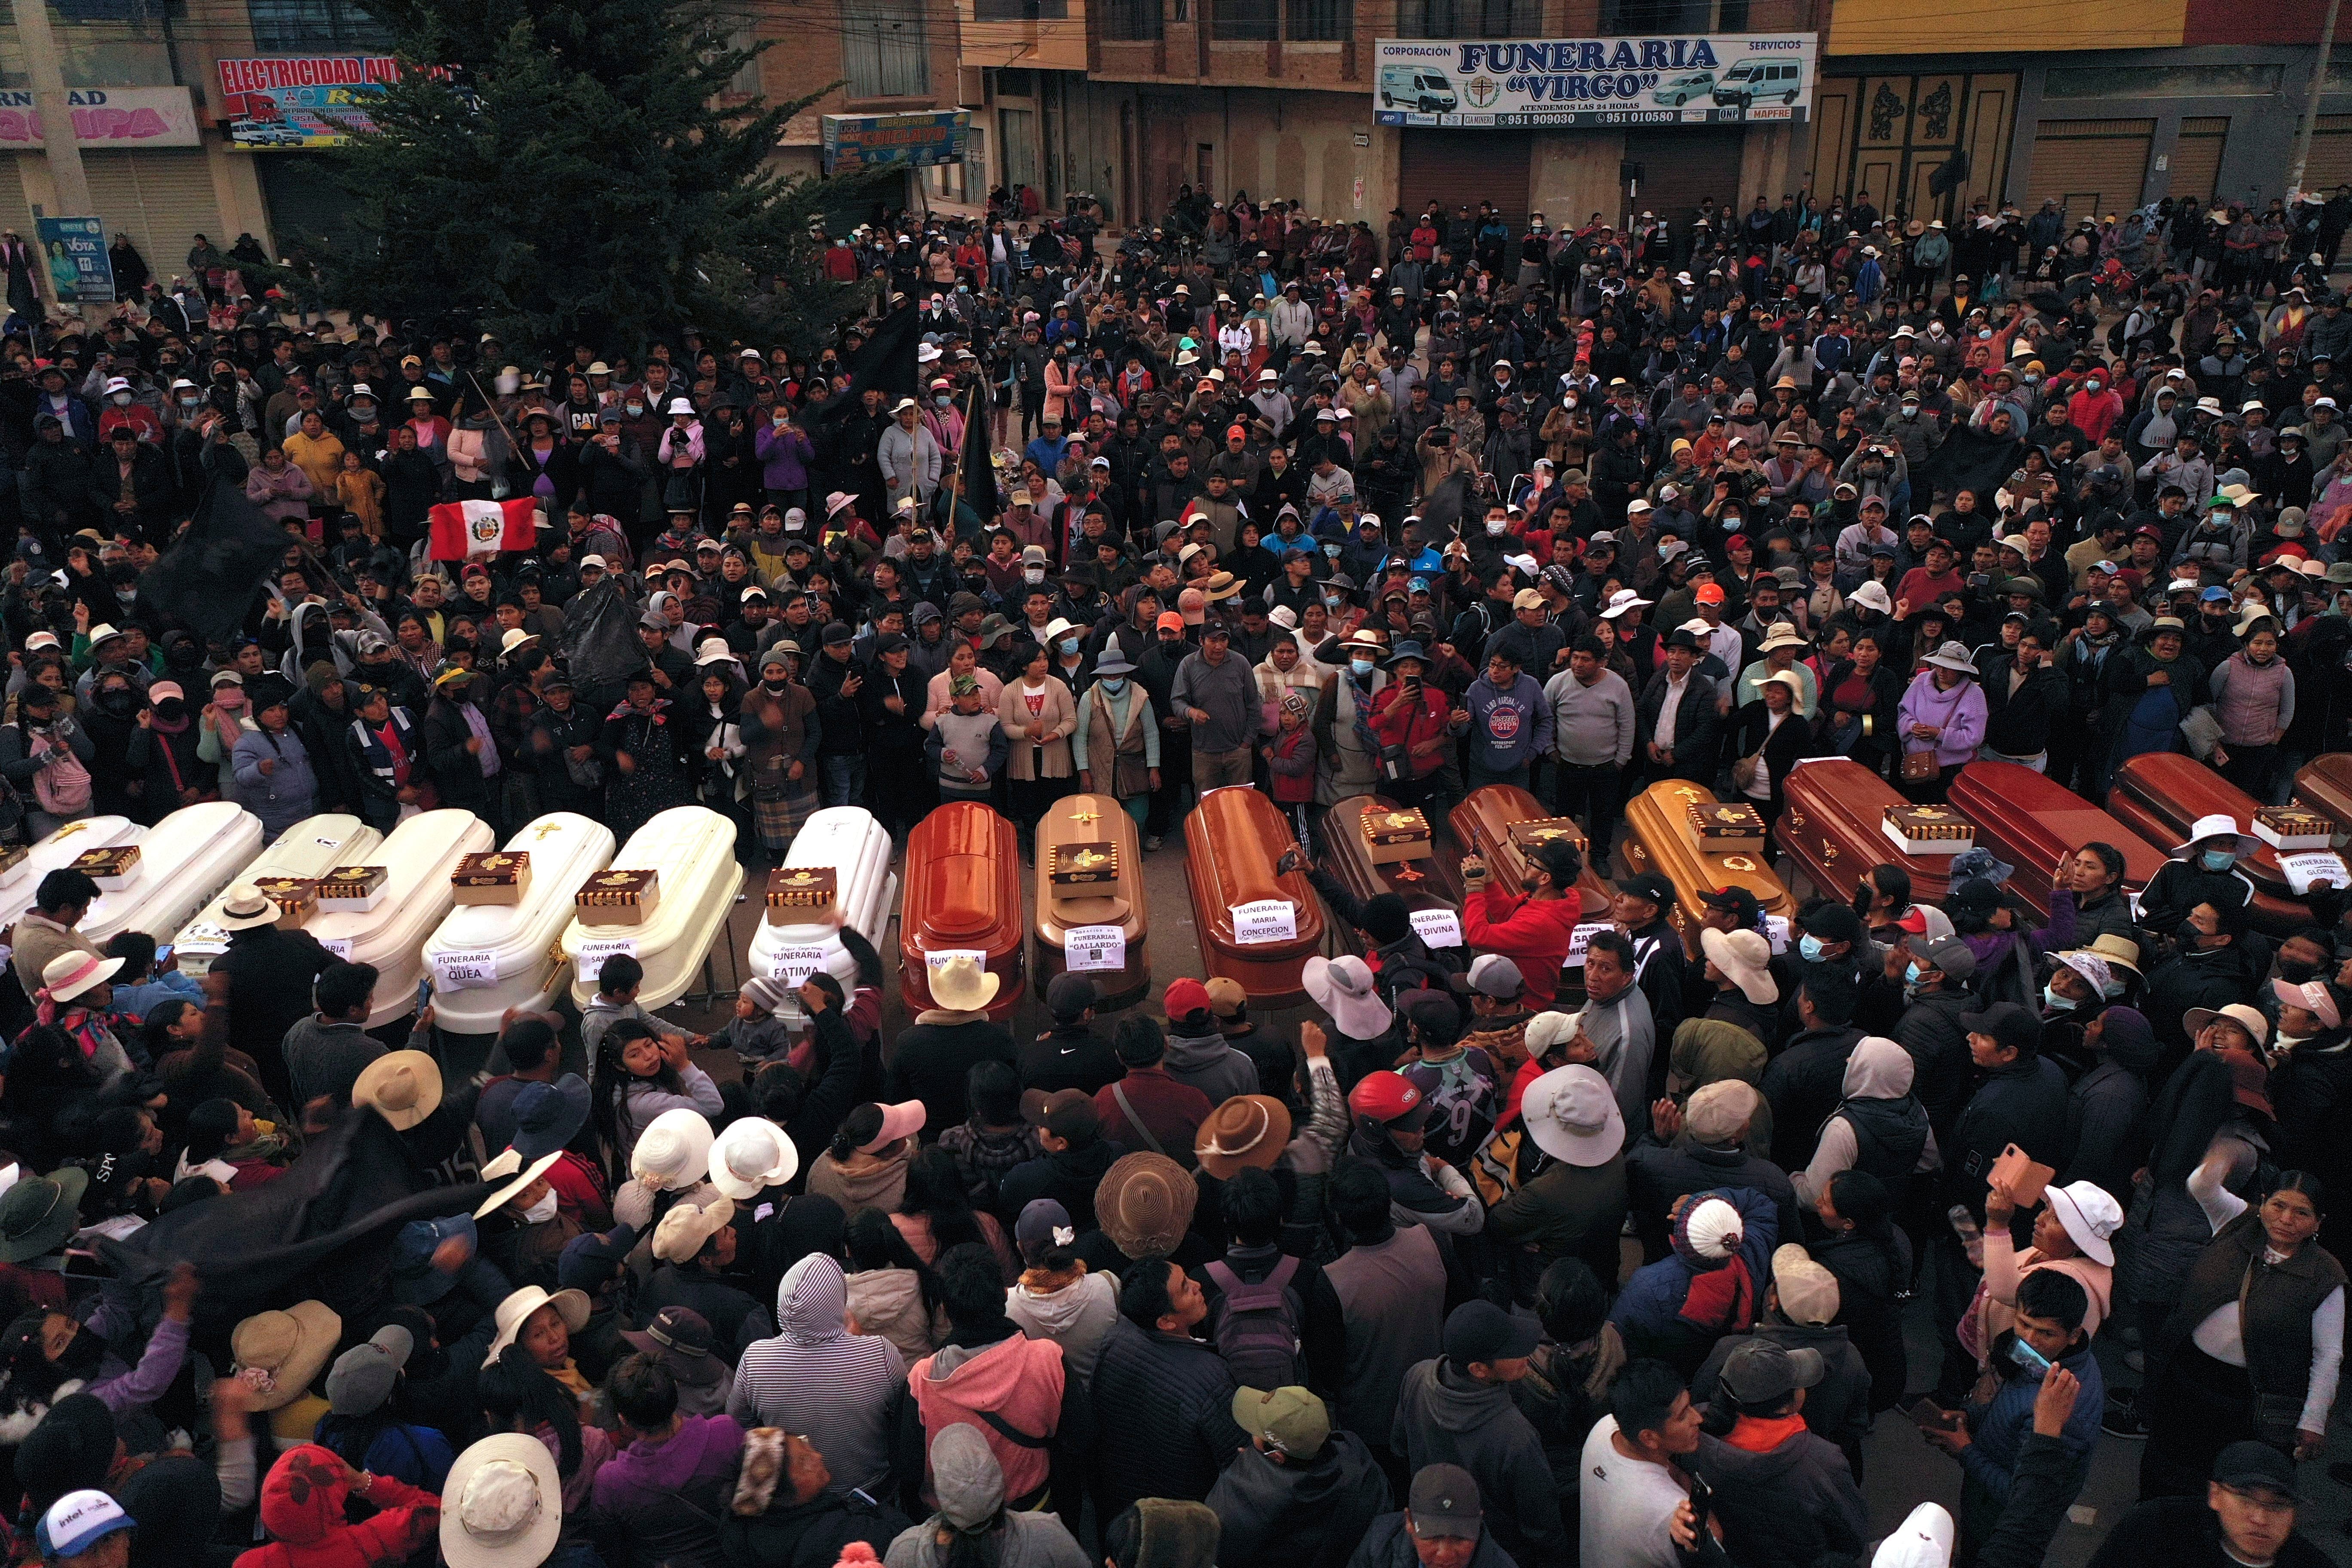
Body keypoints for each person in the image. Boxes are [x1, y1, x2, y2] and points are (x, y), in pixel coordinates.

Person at [1389, 1301, 1565, 1566]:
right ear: (1479, 1369)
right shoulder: (1516, 1436)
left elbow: (1400, 1449)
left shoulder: (1417, 1376)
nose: (1526, 1354)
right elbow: (1542, 1529)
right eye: (1512, 1352)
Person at [1205, 1384, 1393, 1568]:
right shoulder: (1357, 1457)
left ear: (1277, 1457)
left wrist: (1254, 1467)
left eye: (1256, 1431)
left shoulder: (1235, 1506)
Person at [2087, 1440, 2335, 1568]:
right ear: (2215, 1495)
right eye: (2245, 1499)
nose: (2260, 1518)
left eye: (2278, 1506)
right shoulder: (2156, 1532)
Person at [1579, 1358, 1703, 1568]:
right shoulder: (1671, 1513)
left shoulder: (1605, 1428)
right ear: (1649, 1438)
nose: (1698, 1418)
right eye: (1683, 1416)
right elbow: (1714, 1538)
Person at [1346, 1464, 1522, 1568]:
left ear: (1478, 1524)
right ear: (1409, 1521)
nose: (1446, 1556)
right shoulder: (1377, 1547)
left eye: (1460, 1539)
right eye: (1432, 1537)